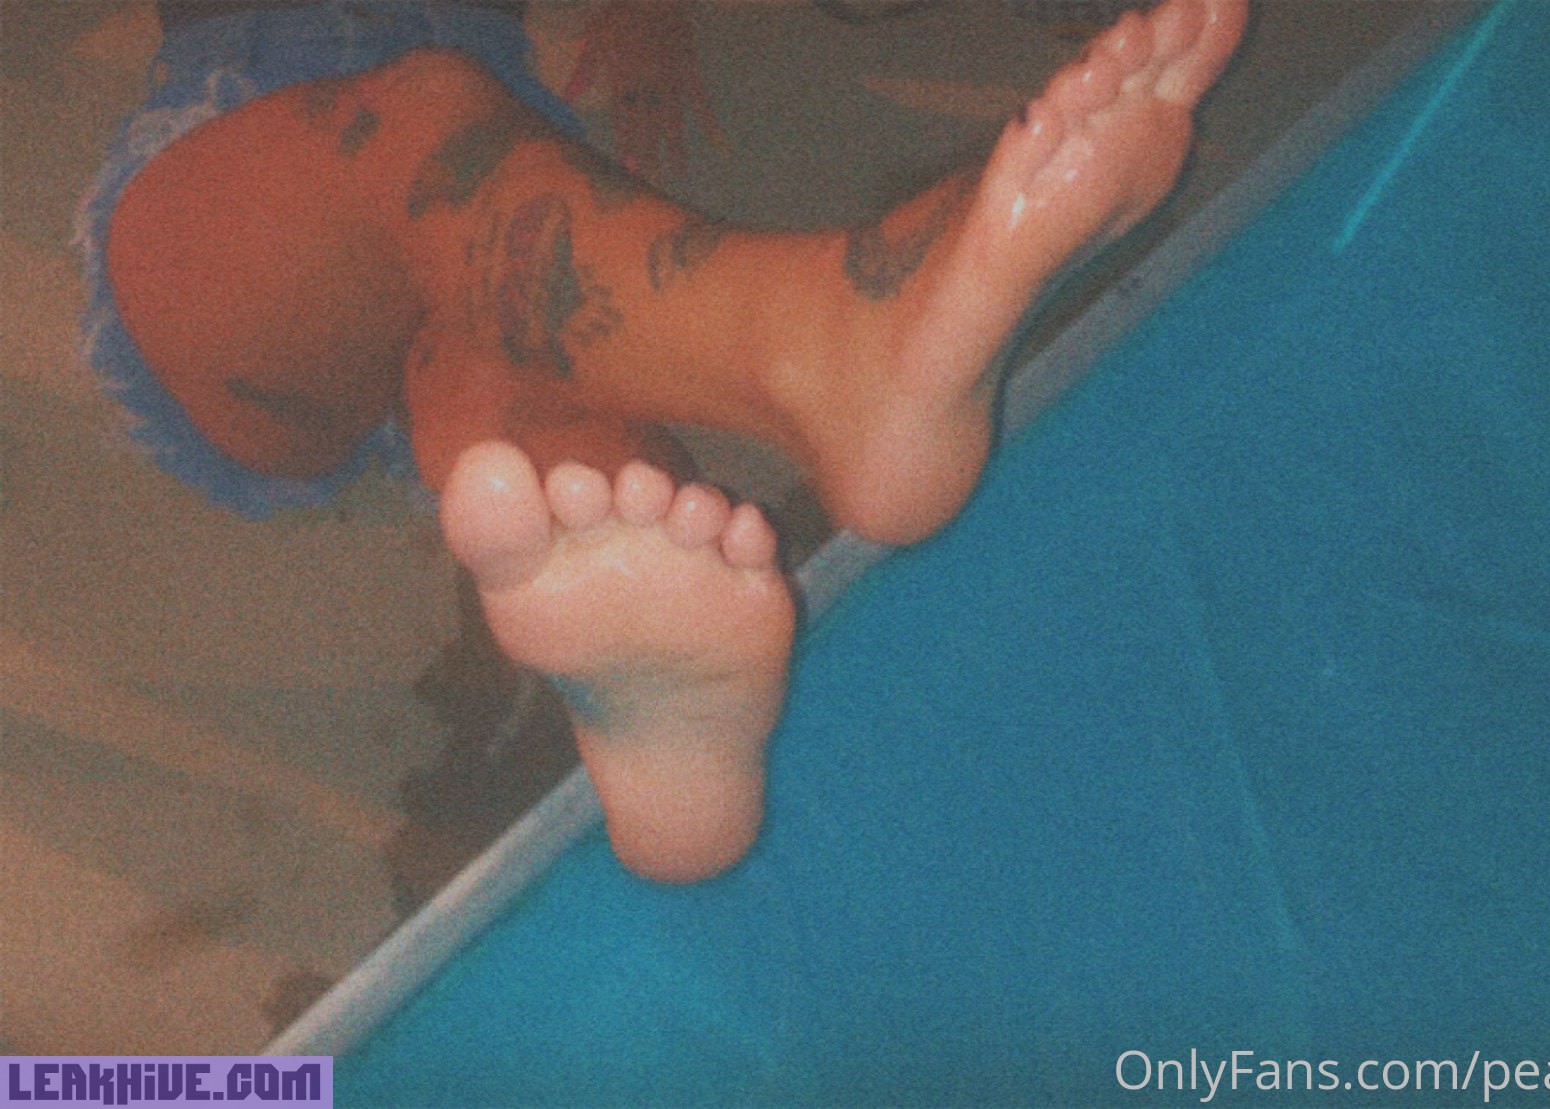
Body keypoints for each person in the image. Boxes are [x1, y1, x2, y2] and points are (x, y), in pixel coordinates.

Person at [80, 0, 1246, 882]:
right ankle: (823, 339)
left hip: (495, 166)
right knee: (419, 137)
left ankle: (656, 739)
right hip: (255, 186)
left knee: (557, 448)